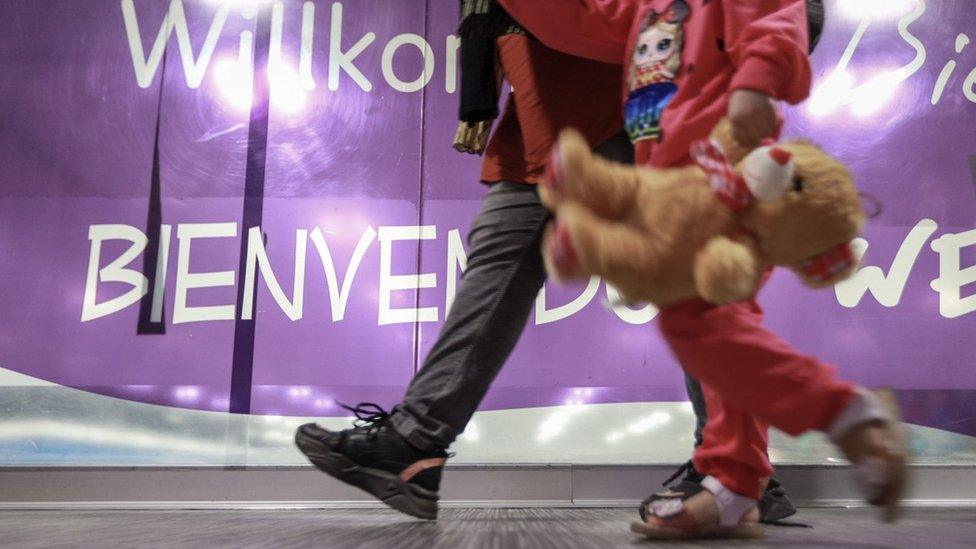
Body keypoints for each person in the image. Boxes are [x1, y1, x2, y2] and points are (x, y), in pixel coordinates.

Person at [293, 0, 796, 523]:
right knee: (498, 263)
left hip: (634, 112)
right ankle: (414, 446)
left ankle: (739, 471)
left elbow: (605, 24)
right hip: (542, 118)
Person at [498, 0, 906, 539]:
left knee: (709, 322)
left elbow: (776, 15)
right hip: (669, 196)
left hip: (728, 180)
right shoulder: (646, 7)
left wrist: (755, 81)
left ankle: (835, 419)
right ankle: (739, 482)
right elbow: (576, 19)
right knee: (705, 330)